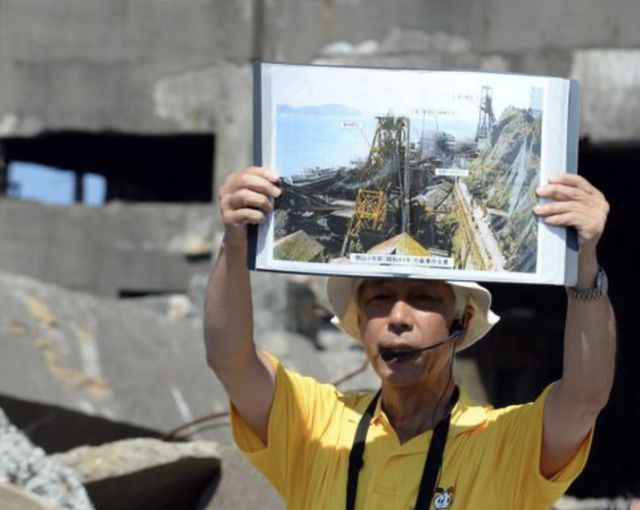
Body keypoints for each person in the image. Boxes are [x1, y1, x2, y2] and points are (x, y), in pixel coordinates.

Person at [205, 166, 615, 510]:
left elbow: (583, 398)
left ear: (463, 319)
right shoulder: (317, 424)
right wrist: (235, 242)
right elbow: (232, 360)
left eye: (423, 297)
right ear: (360, 320)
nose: (398, 317)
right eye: (380, 299)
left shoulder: (502, 442)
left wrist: (583, 268)